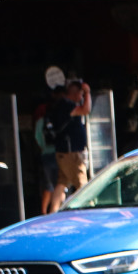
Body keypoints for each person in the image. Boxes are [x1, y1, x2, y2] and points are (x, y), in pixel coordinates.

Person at [48, 78, 92, 211]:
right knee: (82, 184)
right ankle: (88, 211)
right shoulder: (68, 105)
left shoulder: (60, 105)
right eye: (81, 94)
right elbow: (86, 110)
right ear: (75, 93)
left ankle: (53, 212)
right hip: (70, 153)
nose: (82, 97)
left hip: (63, 151)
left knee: (62, 183)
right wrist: (88, 92)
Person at [34, 86, 62, 214]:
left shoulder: (41, 121)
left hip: (46, 155)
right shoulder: (60, 119)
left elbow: (37, 137)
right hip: (60, 154)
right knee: (60, 184)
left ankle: (44, 212)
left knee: (48, 185)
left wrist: (43, 148)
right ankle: (57, 211)